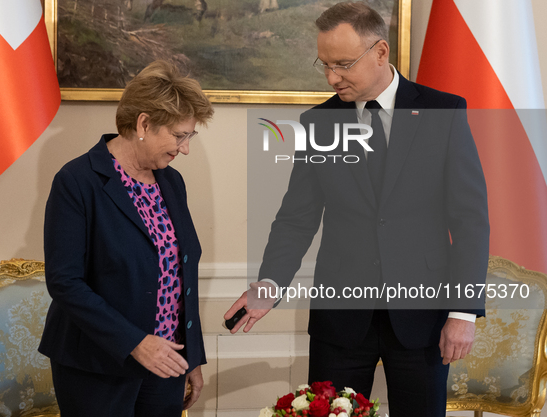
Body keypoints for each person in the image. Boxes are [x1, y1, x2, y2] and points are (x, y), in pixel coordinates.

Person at [225, 2, 489, 416]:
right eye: (325, 65)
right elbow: (297, 218)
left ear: (381, 53)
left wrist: (464, 311)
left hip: (422, 317)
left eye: (344, 64)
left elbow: (470, 220)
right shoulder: (317, 124)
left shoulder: (443, 111)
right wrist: (270, 284)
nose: (332, 78)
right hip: (341, 322)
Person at [39, 60, 214, 417]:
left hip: (165, 362)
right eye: (179, 136)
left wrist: (190, 356)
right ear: (144, 124)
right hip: (97, 366)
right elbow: (65, 281)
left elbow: (181, 275)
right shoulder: (77, 181)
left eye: (189, 137)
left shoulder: (171, 182)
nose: (185, 149)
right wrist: (134, 342)